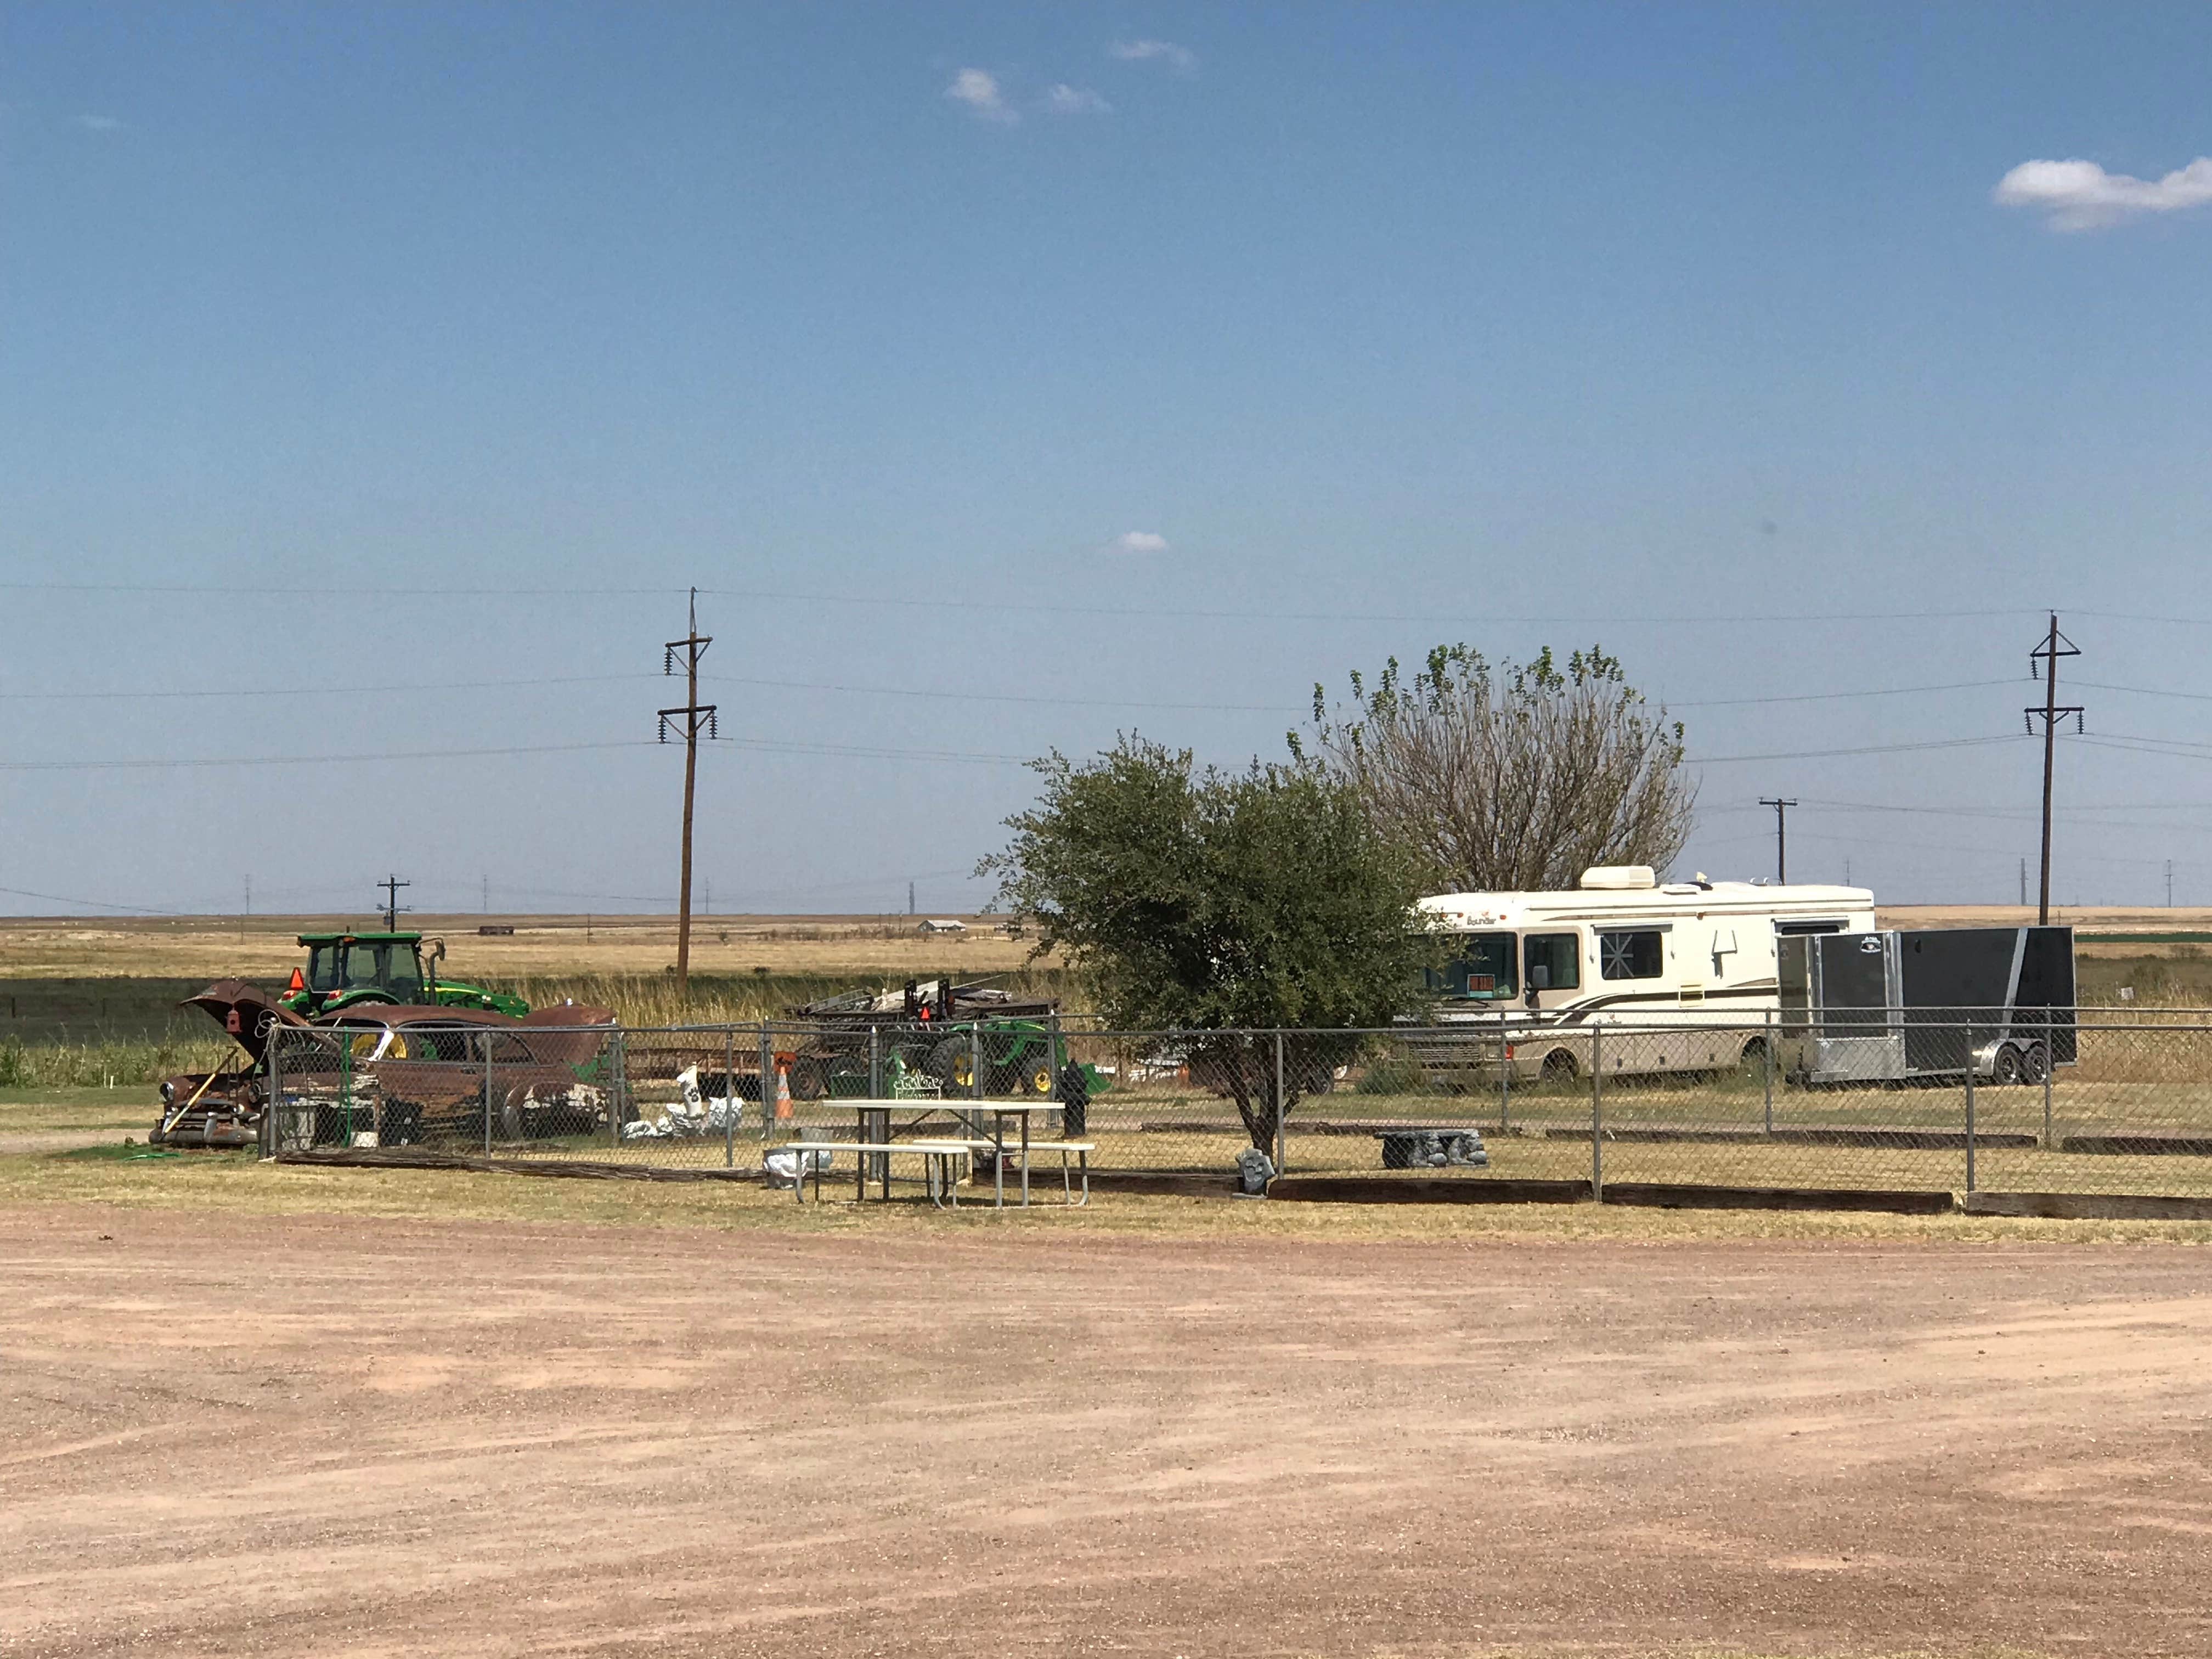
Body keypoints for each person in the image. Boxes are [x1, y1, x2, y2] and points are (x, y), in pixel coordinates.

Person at [1054, 1058, 1088, 1139]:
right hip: (1072, 1097)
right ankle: (1073, 1133)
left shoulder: (1077, 1091)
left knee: (1076, 1114)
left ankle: (1075, 1133)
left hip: (1073, 1098)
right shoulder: (1077, 1093)